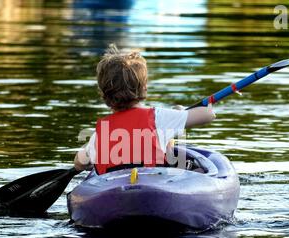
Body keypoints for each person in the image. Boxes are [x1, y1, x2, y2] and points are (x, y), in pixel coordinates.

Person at [74, 44, 216, 174]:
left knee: (168, 148)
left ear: (103, 93)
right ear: (144, 88)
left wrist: (88, 158)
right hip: (156, 186)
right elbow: (208, 115)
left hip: (114, 192)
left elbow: (79, 163)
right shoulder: (158, 117)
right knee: (196, 169)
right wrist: (181, 111)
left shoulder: (100, 134)